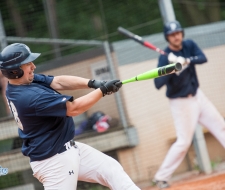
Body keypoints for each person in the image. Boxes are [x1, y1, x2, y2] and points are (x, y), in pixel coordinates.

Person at [0, 43, 140, 190]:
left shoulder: (21, 83)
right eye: (28, 64)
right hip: (54, 161)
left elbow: (58, 82)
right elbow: (74, 108)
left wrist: (94, 83)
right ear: (15, 71)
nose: (33, 66)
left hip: (67, 149)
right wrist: (103, 91)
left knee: (111, 169)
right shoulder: (28, 97)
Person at [153, 20, 225, 189]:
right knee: (184, 142)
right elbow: (157, 84)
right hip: (181, 103)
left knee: (221, 126)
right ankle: (161, 177)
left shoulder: (189, 45)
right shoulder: (164, 57)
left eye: (178, 33)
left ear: (182, 33)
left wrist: (187, 60)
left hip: (198, 96)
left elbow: (202, 58)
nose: (176, 36)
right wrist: (172, 68)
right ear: (167, 38)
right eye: (172, 34)